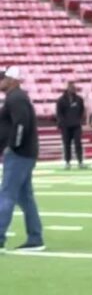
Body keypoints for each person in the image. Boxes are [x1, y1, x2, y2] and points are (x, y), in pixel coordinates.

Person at [0, 67, 45, 252]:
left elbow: (20, 124)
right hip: (24, 153)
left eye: (3, 78)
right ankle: (35, 237)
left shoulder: (15, 98)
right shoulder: (16, 97)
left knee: (7, 195)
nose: (1, 81)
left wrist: (13, 146)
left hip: (19, 154)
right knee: (25, 197)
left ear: (13, 80)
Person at [55, 81, 86, 169]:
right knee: (66, 144)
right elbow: (59, 113)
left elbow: (81, 111)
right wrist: (61, 123)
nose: (73, 89)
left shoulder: (79, 99)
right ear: (67, 88)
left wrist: (78, 120)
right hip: (65, 126)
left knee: (78, 143)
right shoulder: (61, 100)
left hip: (76, 125)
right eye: (71, 87)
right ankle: (67, 162)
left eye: (74, 87)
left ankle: (80, 161)